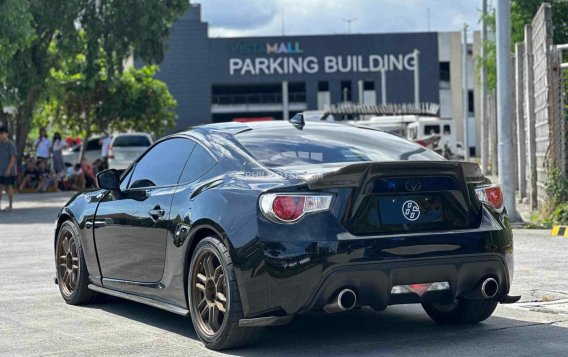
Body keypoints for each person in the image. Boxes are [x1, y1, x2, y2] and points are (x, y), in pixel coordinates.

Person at [0, 126, 17, 210]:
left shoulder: (10, 144)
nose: (1, 135)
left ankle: (10, 204)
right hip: (0, 170)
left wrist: (9, 169)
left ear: (7, 134)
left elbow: (13, 157)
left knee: (8, 186)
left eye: (2, 133)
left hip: (8, 170)